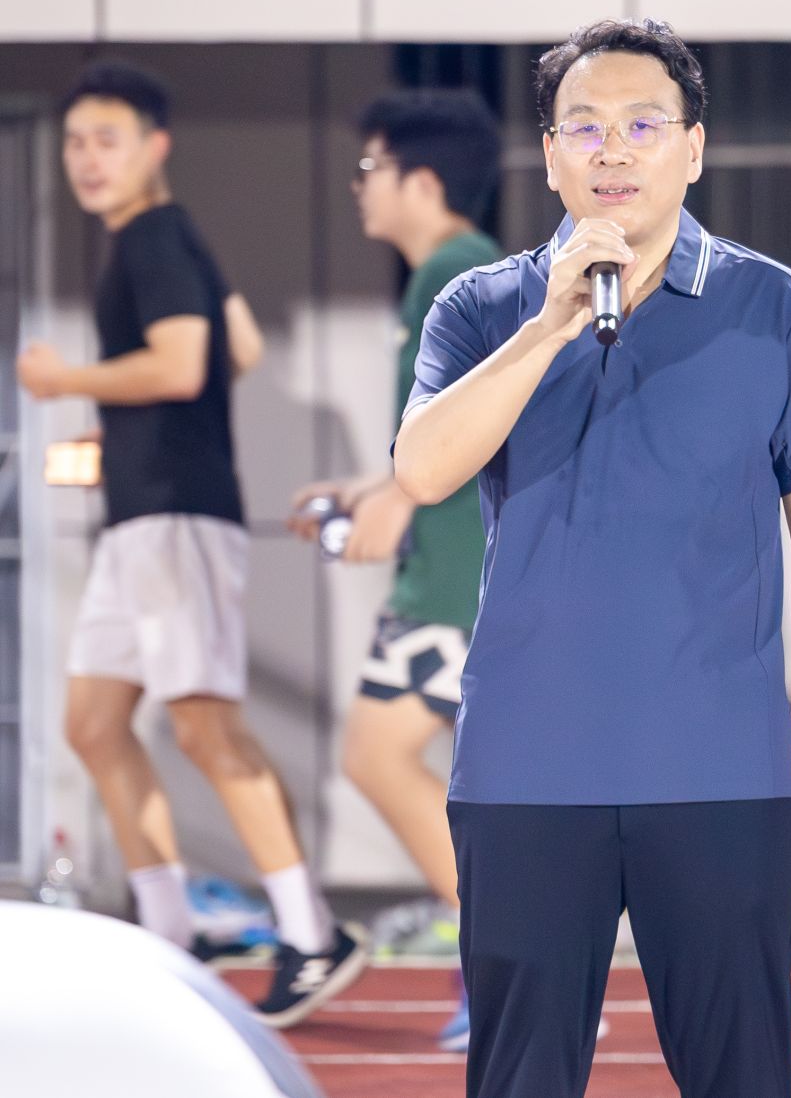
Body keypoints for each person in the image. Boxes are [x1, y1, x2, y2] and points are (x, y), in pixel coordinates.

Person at [392, 19, 791, 1098]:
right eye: (586, 127)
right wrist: (550, 324)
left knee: (742, 1073)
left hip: (722, 767)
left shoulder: (771, 305)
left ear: (693, 149)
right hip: (525, 768)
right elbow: (421, 470)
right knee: (517, 1077)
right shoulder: (482, 307)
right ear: (549, 155)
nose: (613, 150)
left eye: (643, 125)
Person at [19, 63, 364, 1026]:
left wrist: (64, 381)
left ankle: (312, 935)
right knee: (93, 725)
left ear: (155, 146)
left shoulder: (154, 236)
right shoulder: (167, 240)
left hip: (177, 519)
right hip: (143, 517)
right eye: (75, 142)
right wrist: (128, 437)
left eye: (108, 140)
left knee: (208, 729)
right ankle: (171, 934)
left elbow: (183, 364)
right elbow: (237, 348)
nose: (87, 159)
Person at [286, 89, 503, 1050]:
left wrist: (401, 501)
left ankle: (497, 959)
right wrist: (372, 487)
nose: (358, 186)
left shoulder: (450, 271)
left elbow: (476, 422)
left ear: (423, 181)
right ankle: (502, 956)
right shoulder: (461, 269)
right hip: (461, 569)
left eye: (371, 167)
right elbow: (447, 429)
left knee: (377, 758)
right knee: (469, 783)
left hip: (452, 577)